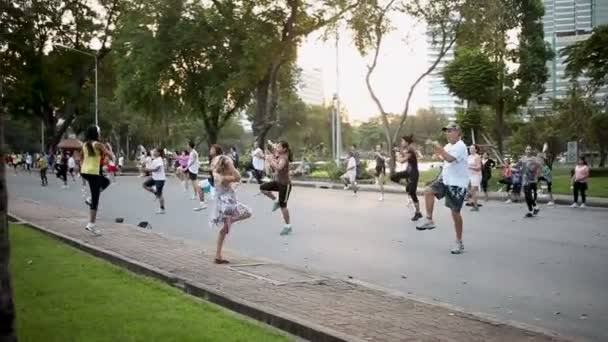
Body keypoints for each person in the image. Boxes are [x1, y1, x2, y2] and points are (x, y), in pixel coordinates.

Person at [416, 123, 469, 255]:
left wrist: (440, 149)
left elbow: (450, 159)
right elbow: (443, 157)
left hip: (457, 184)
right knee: (428, 191)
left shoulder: (461, 146)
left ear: (458, 133)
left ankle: (459, 242)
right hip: (445, 180)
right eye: (447, 131)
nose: (448, 133)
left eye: (451, 131)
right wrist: (436, 149)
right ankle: (429, 219)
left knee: (455, 213)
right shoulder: (448, 146)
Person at [209, 155, 252, 264]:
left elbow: (215, 168)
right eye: (230, 165)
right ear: (226, 167)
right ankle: (230, 220)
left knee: (224, 230)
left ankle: (218, 255)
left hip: (223, 203)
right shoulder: (223, 178)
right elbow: (238, 177)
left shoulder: (217, 174)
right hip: (227, 205)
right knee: (248, 212)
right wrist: (231, 167)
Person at [81, 125, 114, 235]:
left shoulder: (85, 144)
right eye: (99, 132)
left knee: (106, 181)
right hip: (93, 173)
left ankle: (90, 199)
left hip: (85, 172)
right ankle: (91, 224)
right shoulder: (98, 144)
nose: (100, 134)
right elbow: (111, 156)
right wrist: (110, 149)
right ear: (96, 133)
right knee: (96, 199)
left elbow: (86, 157)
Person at [260, 141, 293, 236]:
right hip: (277, 182)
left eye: (279, 147)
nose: (277, 148)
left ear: (284, 149)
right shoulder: (279, 155)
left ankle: (288, 226)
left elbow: (279, 167)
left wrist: (270, 161)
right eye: (277, 147)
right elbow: (274, 149)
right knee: (262, 188)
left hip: (285, 185)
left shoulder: (284, 158)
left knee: (283, 206)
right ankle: (276, 200)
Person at [390, 135, 422, 221]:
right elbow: (405, 154)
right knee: (393, 177)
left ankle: (418, 213)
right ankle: (407, 184)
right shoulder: (408, 149)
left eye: (402, 141)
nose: (401, 143)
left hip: (413, 173)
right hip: (408, 172)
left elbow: (401, 161)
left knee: (412, 193)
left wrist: (396, 154)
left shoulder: (411, 150)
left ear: (407, 143)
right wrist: (399, 150)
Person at [519, 146, 542, 218]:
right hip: (524, 179)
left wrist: (537, 176)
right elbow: (519, 166)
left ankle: (536, 207)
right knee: (526, 196)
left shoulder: (534, 159)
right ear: (525, 150)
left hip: (531, 179)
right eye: (527, 149)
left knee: (529, 195)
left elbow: (539, 167)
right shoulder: (523, 158)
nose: (528, 151)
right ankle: (530, 211)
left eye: (530, 149)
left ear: (531, 151)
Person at [143, 148, 167, 214]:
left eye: (155, 151)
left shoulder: (160, 159)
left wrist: (148, 170)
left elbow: (157, 169)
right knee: (144, 185)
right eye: (153, 151)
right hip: (154, 178)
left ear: (159, 153)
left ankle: (162, 209)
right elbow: (153, 168)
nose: (153, 152)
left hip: (160, 179)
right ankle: (155, 191)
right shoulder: (155, 160)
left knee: (160, 195)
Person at [187, 142, 207, 210]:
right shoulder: (191, 152)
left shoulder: (194, 152)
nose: (187, 146)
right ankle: (195, 193)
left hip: (193, 169)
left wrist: (187, 166)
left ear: (190, 146)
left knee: (195, 182)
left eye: (187, 145)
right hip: (191, 169)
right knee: (193, 182)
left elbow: (193, 160)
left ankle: (198, 193)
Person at [467, 145, 482, 211]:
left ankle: (475, 206)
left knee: (473, 190)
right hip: (469, 175)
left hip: (476, 175)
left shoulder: (477, 157)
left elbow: (478, 168)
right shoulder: (469, 157)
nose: (471, 149)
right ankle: (473, 202)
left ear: (476, 150)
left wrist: (470, 167)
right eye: (470, 148)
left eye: (472, 148)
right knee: (470, 190)